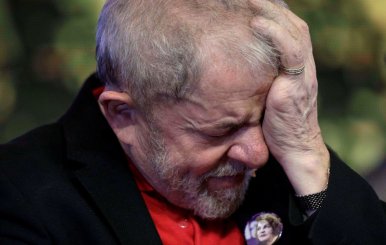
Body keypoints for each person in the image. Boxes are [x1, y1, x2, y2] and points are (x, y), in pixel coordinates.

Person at [1, 0, 386, 244]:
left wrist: (306, 151)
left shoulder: (292, 159)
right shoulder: (18, 195)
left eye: (264, 117)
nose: (256, 154)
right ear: (123, 114)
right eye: (222, 129)